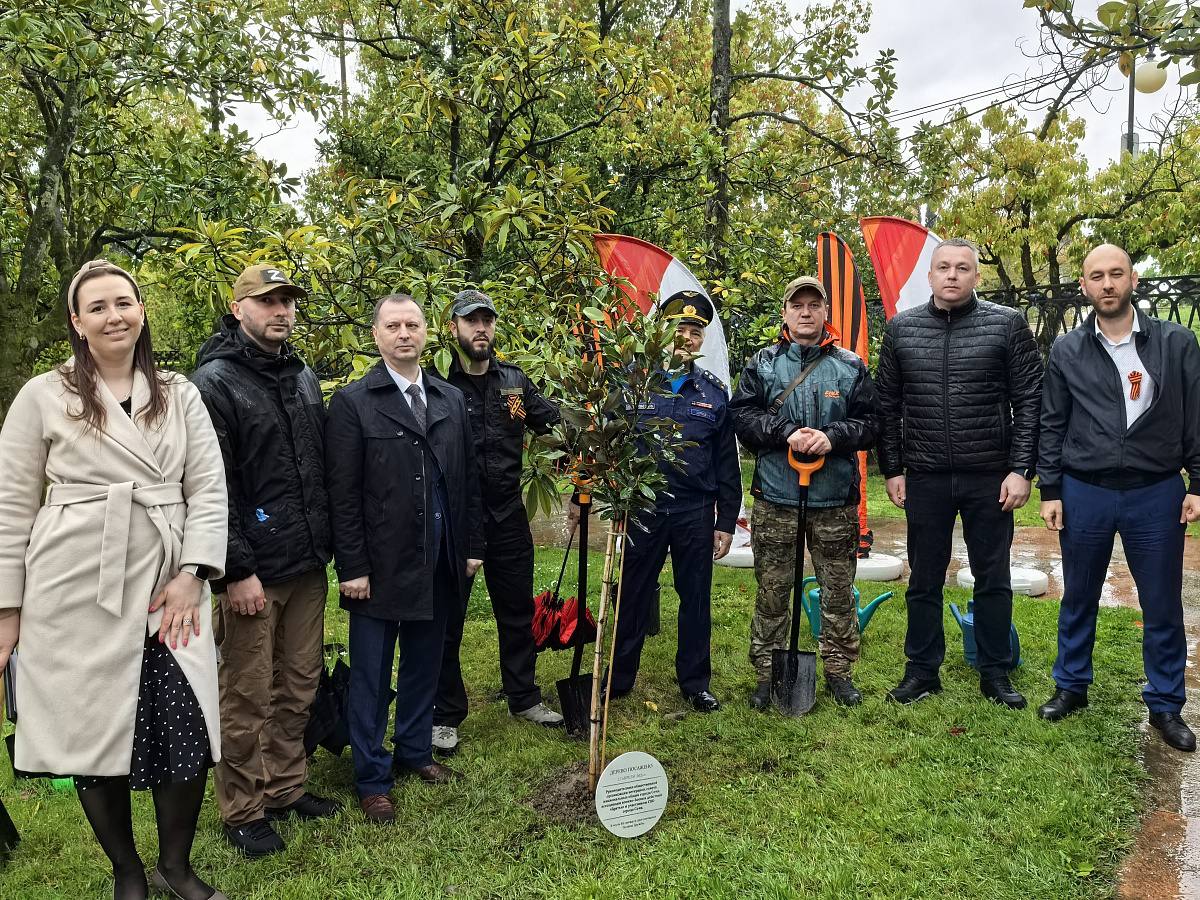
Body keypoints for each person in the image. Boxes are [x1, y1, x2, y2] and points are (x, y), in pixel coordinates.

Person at [0, 260, 228, 900]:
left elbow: (208, 487)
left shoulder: (179, 393)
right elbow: (12, 504)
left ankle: (176, 867)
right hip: (73, 585)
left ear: (141, 311)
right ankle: (128, 871)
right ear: (76, 322)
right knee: (90, 733)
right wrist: (6, 610)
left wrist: (193, 572)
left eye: (123, 302)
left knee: (184, 722)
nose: (113, 315)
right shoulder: (43, 395)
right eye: (96, 307)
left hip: (165, 581)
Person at [191, 263, 338, 856]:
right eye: (267, 300)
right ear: (238, 309)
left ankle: (284, 785)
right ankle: (242, 808)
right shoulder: (214, 383)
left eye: (288, 301)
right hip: (253, 570)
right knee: (247, 690)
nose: (281, 310)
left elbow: (318, 469)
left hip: (306, 561)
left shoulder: (302, 375)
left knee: (299, 681)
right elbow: (210, 485)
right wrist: (236, 569)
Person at [325, 294, 484, 824]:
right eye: (391, 325)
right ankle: (372, 776)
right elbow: (342, 495)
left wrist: (469, 549)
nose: (403, 334)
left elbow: (467, 481)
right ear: (376, 335)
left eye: (412, 324)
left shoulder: (448, 399)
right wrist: (352, 567)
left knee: (425, 664)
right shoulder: (353, 403)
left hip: (439, 559)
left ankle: (415, 751)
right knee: (372, 676)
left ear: (427, 332)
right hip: (380, 564)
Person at [1036, 243, 1200, 752]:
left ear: (1133, 279)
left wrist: (1198, 481)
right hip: (1086, 490)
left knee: (1162, 603)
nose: (1106, 284)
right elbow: (1052, 422)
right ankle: (1071, 686)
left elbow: (1196, 413)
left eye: (1116, 274)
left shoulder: (1176, 342)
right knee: (1079, 595)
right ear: (1083, 287)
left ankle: (1166, 704)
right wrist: (1051, 489)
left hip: (1156, 492)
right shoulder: (1068, 350)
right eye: (1095, 276)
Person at [875, 237, 1042, 709]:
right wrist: (893, 468)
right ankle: (922, 670)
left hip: (989, 476)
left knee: (993, 577)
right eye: (943, 267)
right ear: (930, 276)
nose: (952, 275)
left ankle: (995, 672)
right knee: (924, 577)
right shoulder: (902, 330)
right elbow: (887, 406)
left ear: (976, 276)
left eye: (962, 268)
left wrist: (1021, 469)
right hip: (925, 475)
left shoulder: (1006, 325)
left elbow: (1030, 400)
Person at [576, 291, 741, 711]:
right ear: (661, 332)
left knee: (696, 597)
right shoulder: (632, 385)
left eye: (695, 331)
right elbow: (607, 444)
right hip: (642, 509)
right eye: (678, 328)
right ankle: (620, 675)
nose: (686, 337)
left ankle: (694, 681)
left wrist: (726, 521)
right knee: (632, 593)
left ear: (702, 340)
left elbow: (727, 463)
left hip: (695, 511)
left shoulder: (714, 393)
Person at [730, 276, 879, 709]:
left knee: (838, 591)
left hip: (834, 500)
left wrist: (832, 437)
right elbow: (741, 415)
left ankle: (838, 671)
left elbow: (872, 423)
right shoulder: (762, 364)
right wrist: (788, 433)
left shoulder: (850, 367)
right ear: (785, 313)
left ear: (825, 313)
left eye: (815, 305)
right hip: (777, 497)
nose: (806, 312)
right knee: (772, 591)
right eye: (798, 305)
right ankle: (766, 673)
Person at [431, 289, 563, 756]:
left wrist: (591, 436)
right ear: (454, 329)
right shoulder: (435, 386)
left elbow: (552, 422)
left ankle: (523, 696)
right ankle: (445, 714)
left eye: (486, 320)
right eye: (471, 321)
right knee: (448, 618)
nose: (480, 328)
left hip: (507, 513)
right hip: (456, 519)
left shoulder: (514, 382)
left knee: (517, 611)